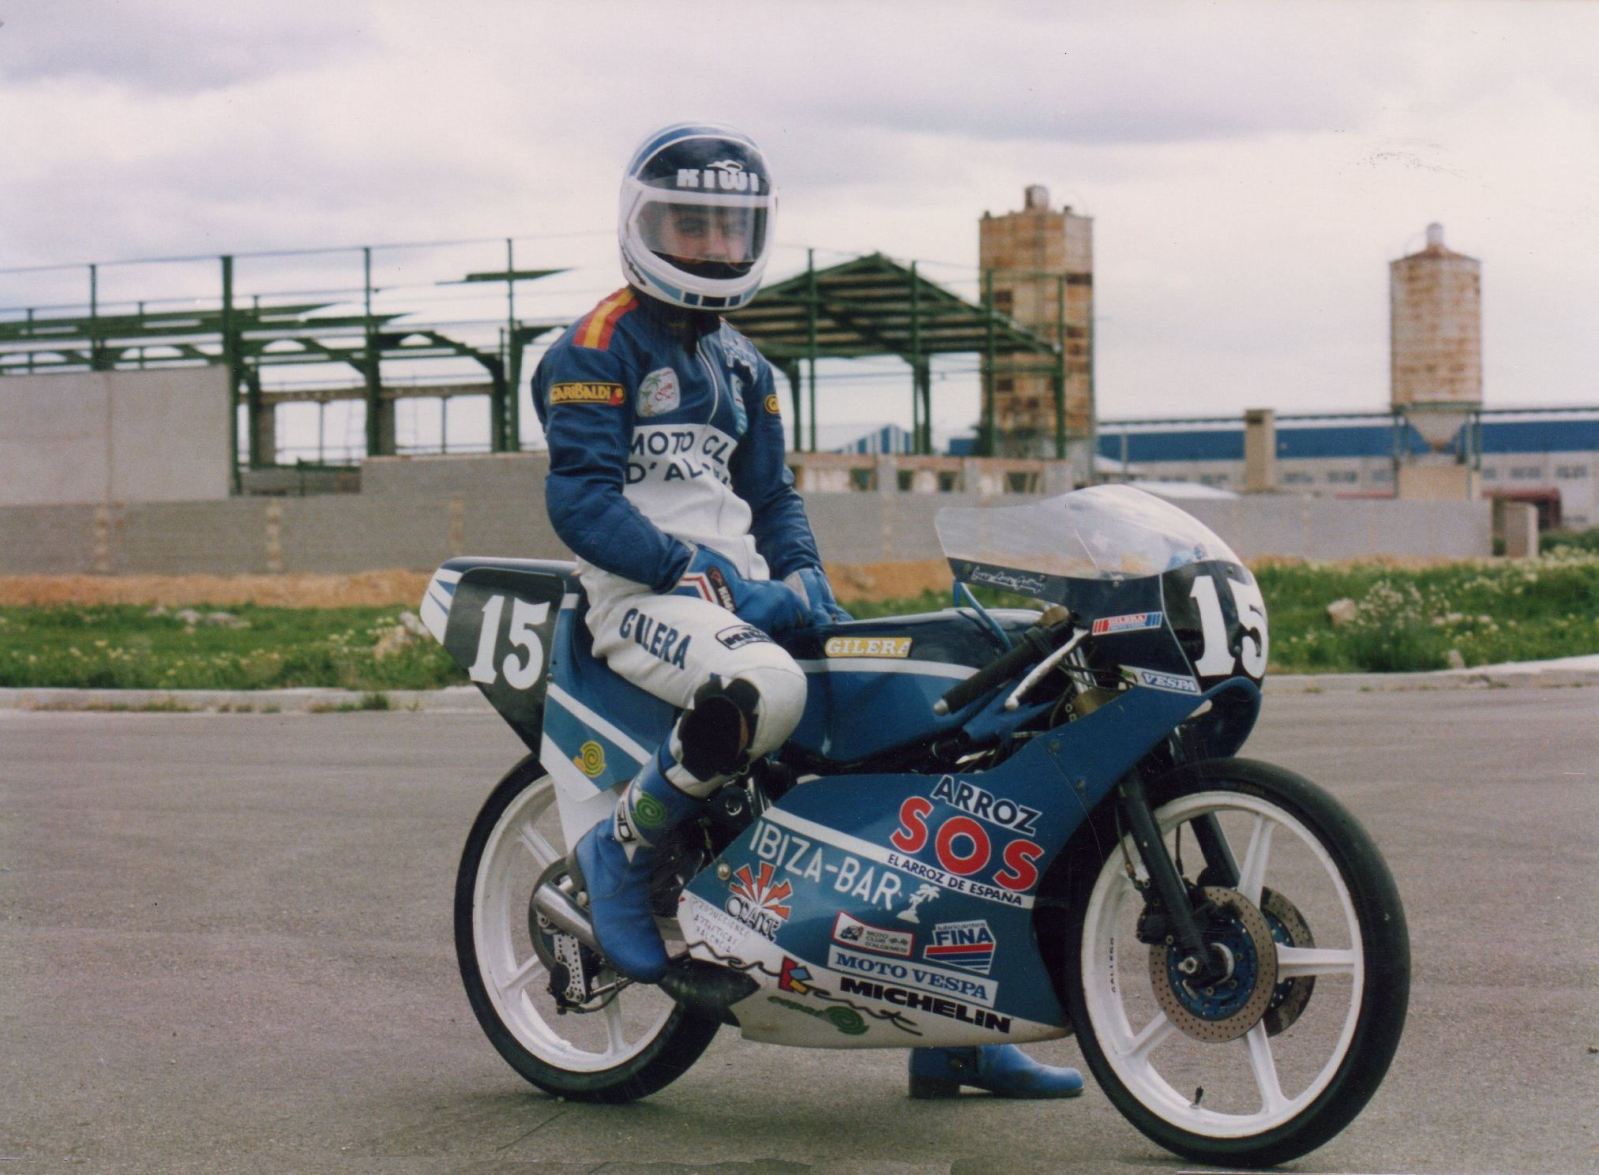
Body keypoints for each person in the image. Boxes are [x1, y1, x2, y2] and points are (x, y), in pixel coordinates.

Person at [532, 122, 1082, 1101]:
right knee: (765, 684)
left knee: (941, 708)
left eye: (726, 227)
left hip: (732, 594)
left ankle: (952, 1028)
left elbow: (777, 500)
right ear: (639, 222)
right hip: (637, 598)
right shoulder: (592, 346)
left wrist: (804, 576)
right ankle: (621, 854)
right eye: (686, 224)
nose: (708, 246)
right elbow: (579, 501)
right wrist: (690, 565)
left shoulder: (747, 368)